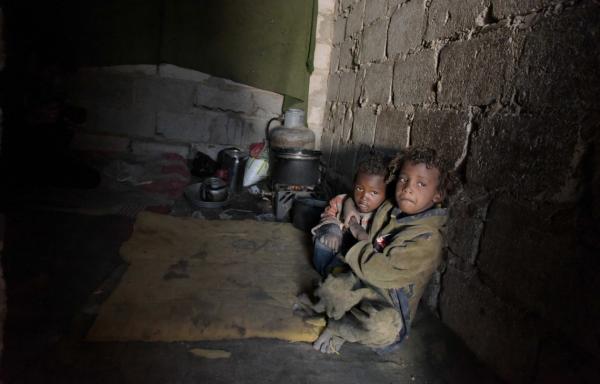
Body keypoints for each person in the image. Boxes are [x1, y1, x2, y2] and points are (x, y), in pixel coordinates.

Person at [297, 146, 453, 354]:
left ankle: (339, 328)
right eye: (404, 179)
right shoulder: (391, 207)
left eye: (421, 184)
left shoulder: (428, 239)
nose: (408, 188)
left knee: (382, 328)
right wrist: (351, 209)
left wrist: (357, 236)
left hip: (388, 302)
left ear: (437, 194)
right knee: (333, 288)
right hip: (365, 280)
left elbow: (384, 271)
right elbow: (355, 196)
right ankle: (328, 310)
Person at [311, 154, 388, 277]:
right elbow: (327, 216)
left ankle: (335, 276)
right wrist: (333, 231)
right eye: (359, 188)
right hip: (335, 248)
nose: (364, 197)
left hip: (354, 259)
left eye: (373, 192)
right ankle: (327, 273)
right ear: (353, 185)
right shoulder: (341, 201)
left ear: (386, 194)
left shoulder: (383, 217)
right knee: (325, 239)